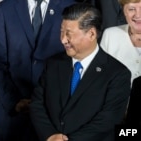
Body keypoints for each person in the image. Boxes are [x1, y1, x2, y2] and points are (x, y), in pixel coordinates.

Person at [30, 3, 131, 141]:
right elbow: (37, 104)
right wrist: (50, 135)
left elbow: (108, 120)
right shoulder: (53, 64)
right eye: (61, 31)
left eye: (69, 34)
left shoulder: (117, 74)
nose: (63, 39)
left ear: (91, 34)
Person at [0, 0, 76, 140]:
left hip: (53, 118)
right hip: (13, 116)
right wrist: (14, 101)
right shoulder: (6, 8)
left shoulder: (70, 7)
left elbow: (75, 61)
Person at [100, 0, 141, 83]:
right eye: (131, 9)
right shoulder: (110, 35)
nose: (138, 15)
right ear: (124, 11)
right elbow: (100, 77)